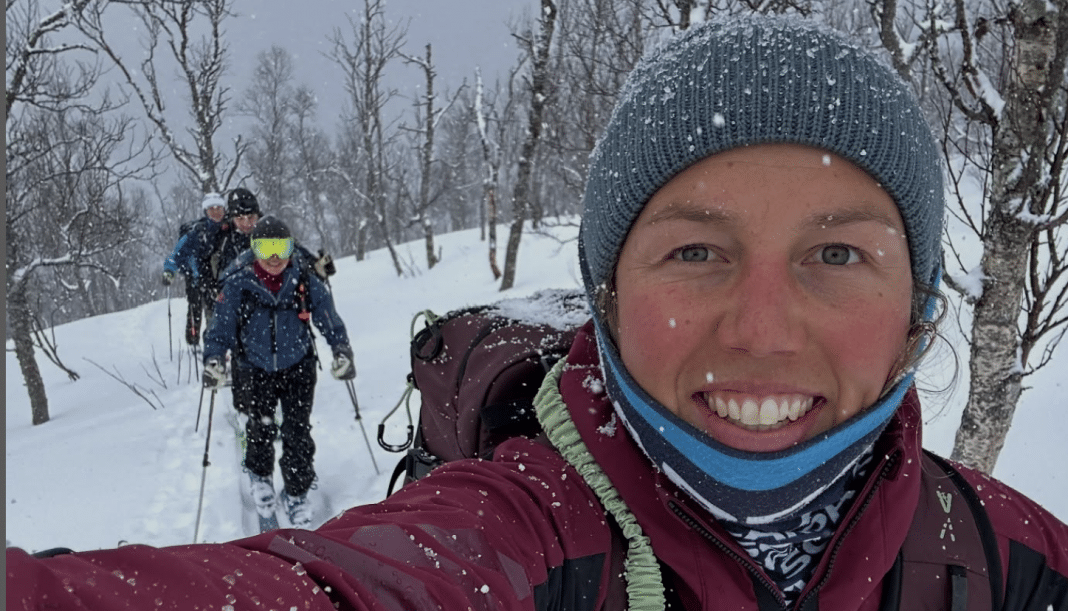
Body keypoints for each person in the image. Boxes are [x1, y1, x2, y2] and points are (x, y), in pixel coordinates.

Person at [7, 15, 1068, 610]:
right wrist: (215, 354)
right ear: (606, 296)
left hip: (291, 356)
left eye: (837, 254)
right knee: (271, 427)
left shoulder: (1004, 559)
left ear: (921, 307)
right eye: (695, 250)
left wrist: (330, 348)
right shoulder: (522, 533)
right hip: (255, 363)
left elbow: (327, 307)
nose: (762, 328)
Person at [201, 215, 355, 528]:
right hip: (254, 368)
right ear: (254, 249)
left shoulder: (302, 278)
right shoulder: (238, 283)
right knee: (259, 428)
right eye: (266, 248)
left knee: (297, 433)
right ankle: (260, 480)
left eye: (281, 248)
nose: (274, 258)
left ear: (290, 249)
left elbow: (328, 317)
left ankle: (296, 493)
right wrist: (215, 359)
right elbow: (220, 328)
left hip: (298, 366)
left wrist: (341, 350)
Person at [162, 192, 227, 346]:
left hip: (215, 278)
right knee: (194, 309)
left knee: (215, 311)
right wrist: (169, 271)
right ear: (206, 211)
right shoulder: (195, 232)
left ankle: (213, 343)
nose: (216, 212)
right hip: (195, 277)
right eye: (212, 209)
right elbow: (177, 253)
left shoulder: (227, 229)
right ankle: (192, 342)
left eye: (219, 208)